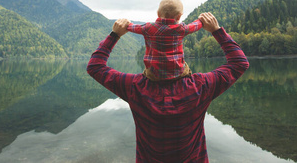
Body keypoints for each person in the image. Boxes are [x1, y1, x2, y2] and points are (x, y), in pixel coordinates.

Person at [87, 12, 249, 163]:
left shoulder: (134, 87)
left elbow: (95, 67)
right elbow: (239, 63)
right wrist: (216, 31)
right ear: (180, 57)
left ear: (149, 59)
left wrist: (114, 35)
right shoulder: (200, 86)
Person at [127, 0, 203, 81]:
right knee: (186, 69)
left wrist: (127, 24)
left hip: (154, 75)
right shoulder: (181, 29)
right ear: (179, 16)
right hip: (177, 74)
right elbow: (195, 26)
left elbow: (132, 27)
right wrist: (201, 20)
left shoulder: (148, 28)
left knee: (146, 71)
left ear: (158, 13)